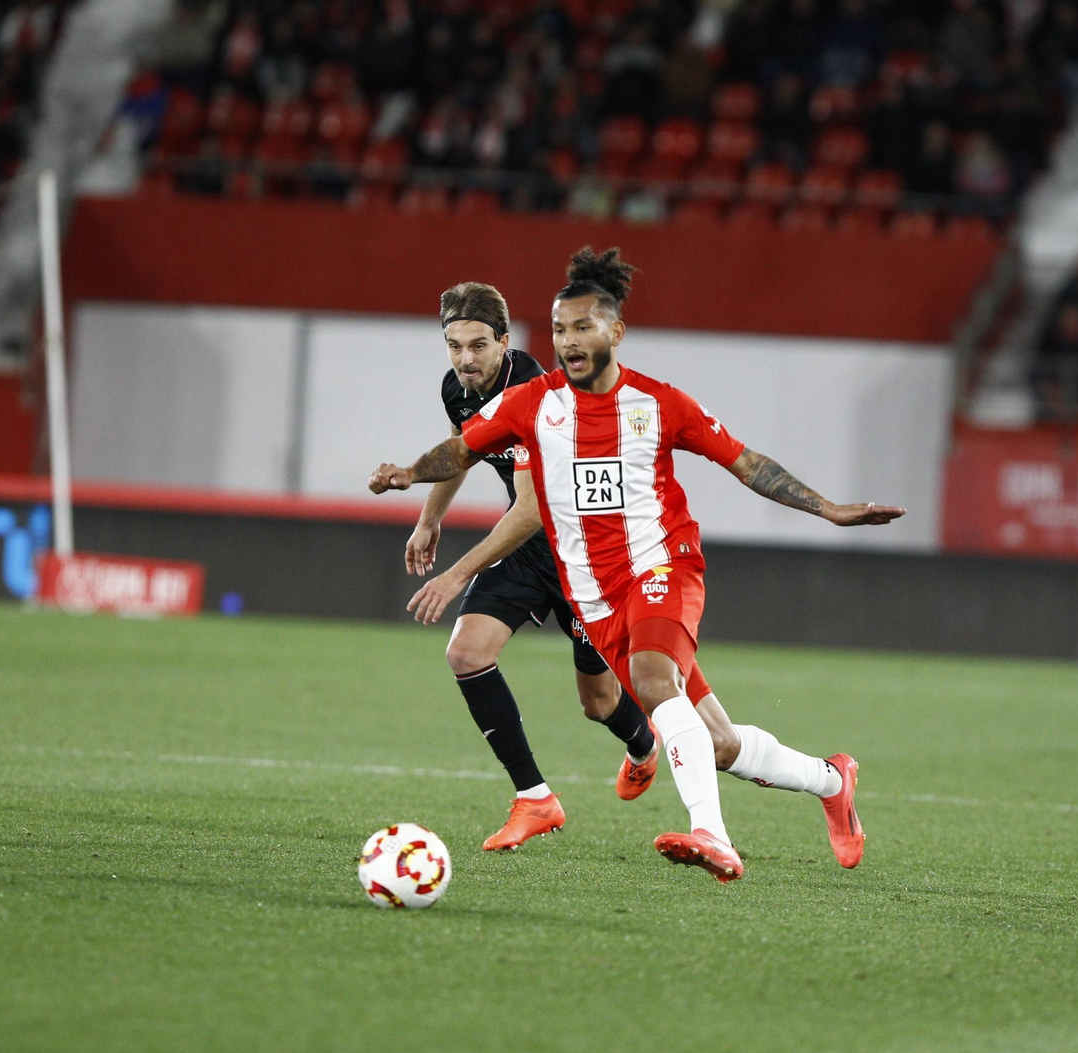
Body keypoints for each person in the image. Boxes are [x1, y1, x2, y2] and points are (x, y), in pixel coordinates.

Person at [371, 247, 905, 882]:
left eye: (583, 327)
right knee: (719, 743)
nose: (569, 341)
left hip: (663, 567)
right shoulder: (533, 404)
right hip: (592, 592)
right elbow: (460, 448)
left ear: (615, 331)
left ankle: (713, 836)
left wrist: (829, 509)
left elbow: (747, 462)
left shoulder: (657, 403)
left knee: (651, 684)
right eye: (561, 328)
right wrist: (409, 475)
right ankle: (830, 781)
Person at [405, 281, 660, 853]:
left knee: (597, 703)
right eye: (453, 346)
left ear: (503, 341)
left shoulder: (537, 397)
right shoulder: (460, 388)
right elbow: (462, 449)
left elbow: (532, 510)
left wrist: (455, 575)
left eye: (476, 346)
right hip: (529, 551)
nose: (464, 359)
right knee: (466, 653)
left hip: (586, 556)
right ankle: (535, 798)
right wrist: (430, 519)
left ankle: (644, 743)